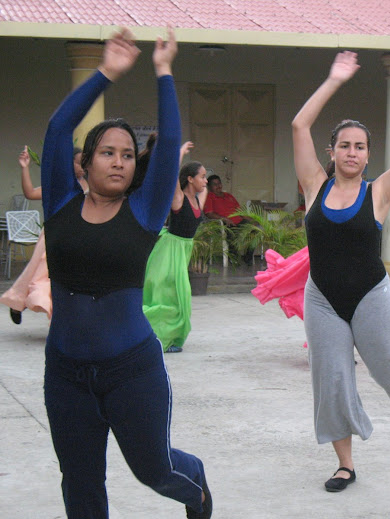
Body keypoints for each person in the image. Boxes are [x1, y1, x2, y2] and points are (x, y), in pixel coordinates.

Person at [40, 28, 212, 518]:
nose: (118, 161)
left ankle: (197, 489)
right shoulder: (60, 203)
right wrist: (106, 73)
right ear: (86, 162)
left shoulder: (144, 210)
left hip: (131, 370)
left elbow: (172, 137)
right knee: (80, 480)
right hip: (66, 372)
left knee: (155, 472)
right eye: (107, 152)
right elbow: (56, 129)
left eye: (127, 155)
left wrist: (162, 71)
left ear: (138, 168)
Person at [292, 50, 390, 492]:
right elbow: (300, 125)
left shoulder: (379, 192)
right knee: (332, 380)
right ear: (332, 151)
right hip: (322, 298)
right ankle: (345, 464)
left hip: (370, 293)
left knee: (387, 366)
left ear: (367, 154)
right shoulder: (314, 185)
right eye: (344, 145)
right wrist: (334, 79)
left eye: (360, 146)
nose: (352, 152)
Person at [2, 146, 86, 324]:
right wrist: (25, 167)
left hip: (77, 238)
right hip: (54, 236)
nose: (83, 167)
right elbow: (30, 193)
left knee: (66, 278)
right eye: (79, 162)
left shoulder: (90, 185)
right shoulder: (58, 185)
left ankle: (59, 318)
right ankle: (19, 302)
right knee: (38, 273)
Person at [143, 146, 209, 353]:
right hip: (168, 251)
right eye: (202, 177)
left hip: (183, 251)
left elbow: (202, 189)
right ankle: (157, 337)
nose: (206, 181)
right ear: (190, 179)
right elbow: (171, 176)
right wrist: (178, 154)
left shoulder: (199, 198)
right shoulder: (178, 199)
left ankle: (169, 337)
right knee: (165, 296)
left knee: (180, 297)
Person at [203, 174, 253, 265]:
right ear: (210, 187)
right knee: (231, 231)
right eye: (215, 184)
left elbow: (239, 211)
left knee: (253, 231)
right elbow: (209, 214)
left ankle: (247, 257)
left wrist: (249, 219)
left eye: (219, 183)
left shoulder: (229, 196)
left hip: (238, 222)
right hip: (223, 224)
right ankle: (234, 257)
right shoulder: (209, 197)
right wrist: (224, 219)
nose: (218, 186)